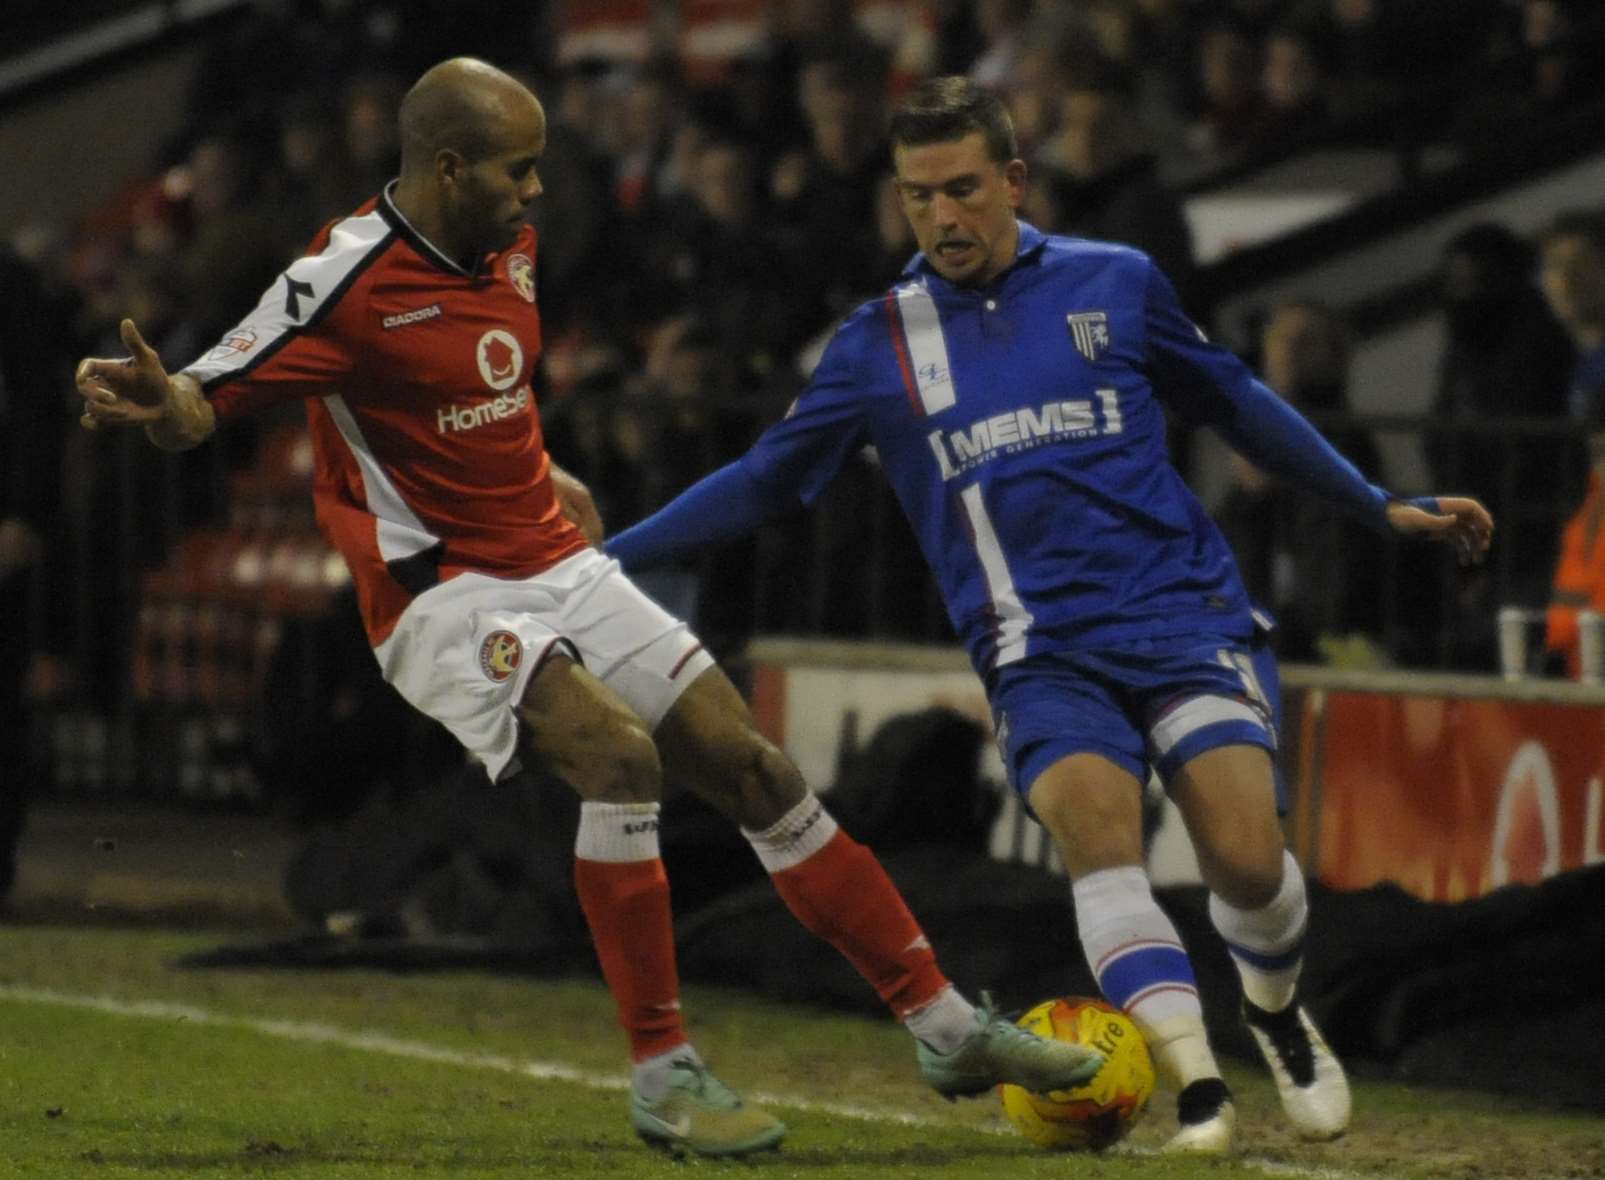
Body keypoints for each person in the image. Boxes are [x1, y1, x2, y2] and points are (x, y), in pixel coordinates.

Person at [75, 57, 1105, 1160]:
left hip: (554, 554)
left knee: (752, 764)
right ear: (451, 167)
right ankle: (664, 1071)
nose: (536, 193)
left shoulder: (503, 239)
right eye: (519, 171)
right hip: (441, 594)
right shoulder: (343, 278)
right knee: (619, 757)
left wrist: (543, 465)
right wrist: (162, 402)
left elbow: (484, 384)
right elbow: (205, 394)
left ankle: (944, 1025)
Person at [606, 76, 1495, 1154]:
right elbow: (763, 481)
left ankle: (1274, 1014)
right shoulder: (875, 345)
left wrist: (1373, 502)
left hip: (1184, 615)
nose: (941, 217)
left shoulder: (1117, 283)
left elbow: (1234, 402)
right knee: (1099, 846)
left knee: (1249, 865)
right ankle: (1199, 1085)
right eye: (917, 195)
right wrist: (607, 558)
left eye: (963, 189)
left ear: (1015, 181)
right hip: (1038, 652)